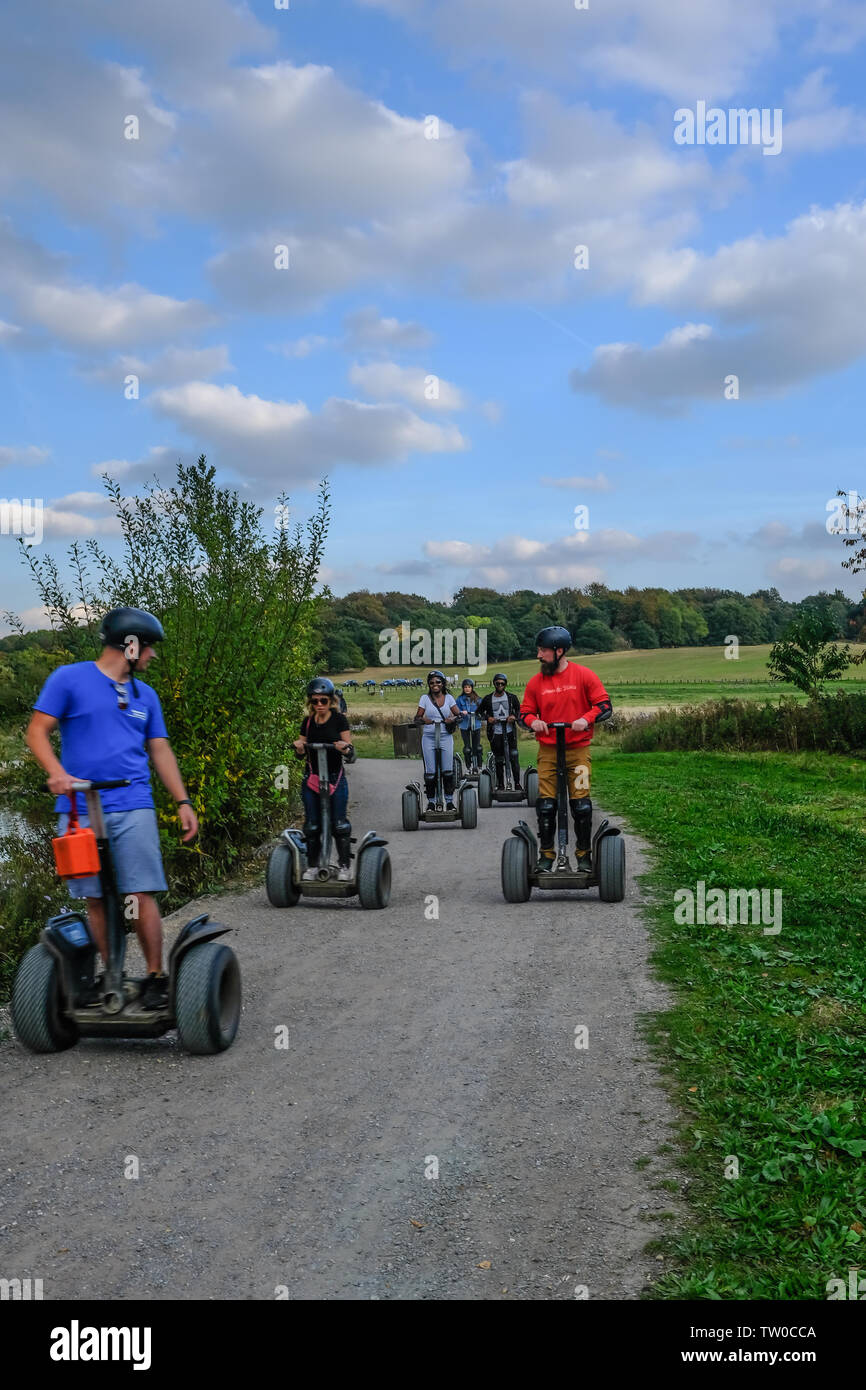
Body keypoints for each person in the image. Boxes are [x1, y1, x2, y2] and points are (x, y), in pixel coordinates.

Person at [25, 606, 198, 1011]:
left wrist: (182, 801)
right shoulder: (69, 679)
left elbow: (160, 749)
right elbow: (37, 731)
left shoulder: (145, 696)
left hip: (133, 803)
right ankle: (111, 975)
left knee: (139, 892)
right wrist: (55, 771)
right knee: (96, 899)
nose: (153, 656)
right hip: (79, 809)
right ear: (131, 645)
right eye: (149, 648)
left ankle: (155, 976)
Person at [519, 625, 612, 873]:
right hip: (548, 751)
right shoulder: (536, 682)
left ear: (559, 651)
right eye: (539, 650)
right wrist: (533, 722)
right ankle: (547, 856)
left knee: (581, 806)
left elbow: (604, 706)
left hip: (577, 750)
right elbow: (524, 713)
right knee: (547, 805)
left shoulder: (584, 675)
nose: (539, 656)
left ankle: (583, 856)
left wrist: (586, 718)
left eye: (543, 651)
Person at [293, 677, 354, 881]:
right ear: (310, 702)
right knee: (312, 825)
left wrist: (344, 749)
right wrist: (300, 748)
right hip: (312, 778)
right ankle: (312, 866)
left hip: (335, 779)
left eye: (323, 700)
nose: (319, 705)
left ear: (331, 700)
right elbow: (300, 751)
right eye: (314, 701)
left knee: (339, 825)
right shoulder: (308, 722)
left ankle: (344, 866)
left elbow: (351, 752)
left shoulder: (339, 720)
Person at [413, 669, 460, 810]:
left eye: (438, 682)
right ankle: (432, 802)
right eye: (432, 682)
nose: (435, 684)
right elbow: (417, 718)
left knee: (447, 771)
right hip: (429, 737)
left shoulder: (449, 699)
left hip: (445, 736)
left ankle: (449, 801)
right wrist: (424, 720)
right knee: (430, 773)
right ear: (429, 684)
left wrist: (452, 718)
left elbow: (459, 716)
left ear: (443, 683)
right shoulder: (424, 699)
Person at [477, 673, 521, 790]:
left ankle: (517, 783)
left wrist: (514, 717)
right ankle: (501, 784)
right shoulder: (487, 699)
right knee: (499, 759)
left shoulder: (512, 697)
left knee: (513, 756)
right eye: (498, 683)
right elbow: (479, 713)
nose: (500, 685)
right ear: (494, 684)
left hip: (510, 733)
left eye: (502, 683)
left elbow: (520, 711)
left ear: (505, 684)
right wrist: (488, 718)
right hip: (495, 734)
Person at [455, 677, 482, 773]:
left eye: (469, 687)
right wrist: (461, 712)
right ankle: (468, 767)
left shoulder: (478, 699)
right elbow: (455, 710)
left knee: (477, 747)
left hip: (476, 724)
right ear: (463, 688)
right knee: (467, 748)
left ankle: (478, 766)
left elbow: (482, 710)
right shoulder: (459, 699)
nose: (467, 689)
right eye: (465, 687)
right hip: (464, 725)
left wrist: (479, 713)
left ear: (472, 688)